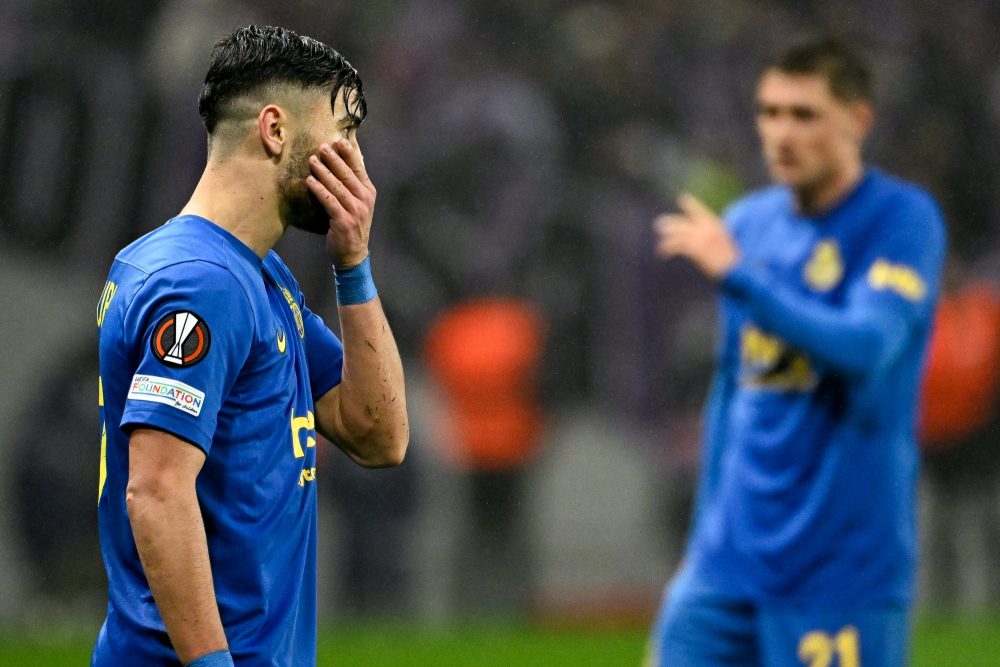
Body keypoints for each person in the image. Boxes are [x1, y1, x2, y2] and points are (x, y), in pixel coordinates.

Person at [92, 25, 408, 667]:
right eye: (344, 130)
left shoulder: (256, 278)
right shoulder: (201, 285)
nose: (357, 160)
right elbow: (155, 493)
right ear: (275, 129)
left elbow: (378, 434)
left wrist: (354, 264)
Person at [646, 39, 946, 666]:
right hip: (726, 566)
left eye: (804, 115)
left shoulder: (900, 221)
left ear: (857, 119)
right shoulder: (752, 223)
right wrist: (703, 541)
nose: (782, 133)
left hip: (837, 574)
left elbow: (867, 347)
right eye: (769, 112)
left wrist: (741, 276)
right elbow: (733, 389)